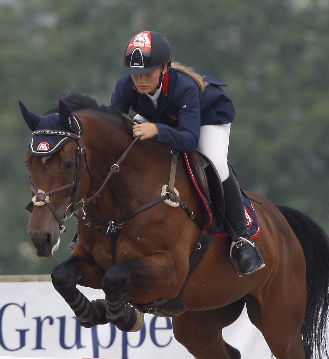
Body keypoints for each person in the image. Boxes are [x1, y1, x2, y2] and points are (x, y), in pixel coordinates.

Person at [110, 31, 265, 277]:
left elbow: (189, 140)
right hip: (161, 116)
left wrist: (157, 129)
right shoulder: (125, 86)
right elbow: (113, 129)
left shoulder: (184, 87)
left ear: (164, 68)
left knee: (215, 164)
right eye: (135, 74)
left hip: (207, 119)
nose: (139, 81)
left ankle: (242, 240)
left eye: (147, 73)